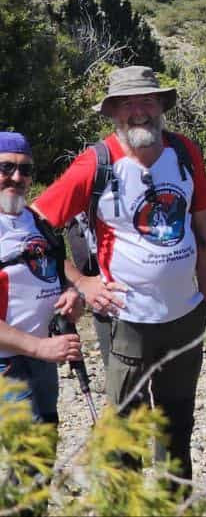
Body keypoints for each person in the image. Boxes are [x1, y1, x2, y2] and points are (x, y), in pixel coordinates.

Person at [34, 65, 206, 483]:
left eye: (148, 101)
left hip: (186, 316)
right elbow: (36, 228)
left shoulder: (185, 152)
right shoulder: (95, 164)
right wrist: (81, 282)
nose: (140, 112)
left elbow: (204, 225)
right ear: (114, 112)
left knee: (177, 426)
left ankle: (174, 505)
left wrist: (203, 293)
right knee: (126, 434)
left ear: (161, 106)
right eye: (128, 104)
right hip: (126, 321)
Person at [0, 132, 83, 426]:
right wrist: (40, 348)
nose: (17, 177)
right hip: (7, 364)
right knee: (29, 460)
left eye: (25, 169)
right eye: (6, 167)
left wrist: (73, 295)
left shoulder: (36, 221)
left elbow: (56, 273)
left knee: (43, 446)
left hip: (42, 358)